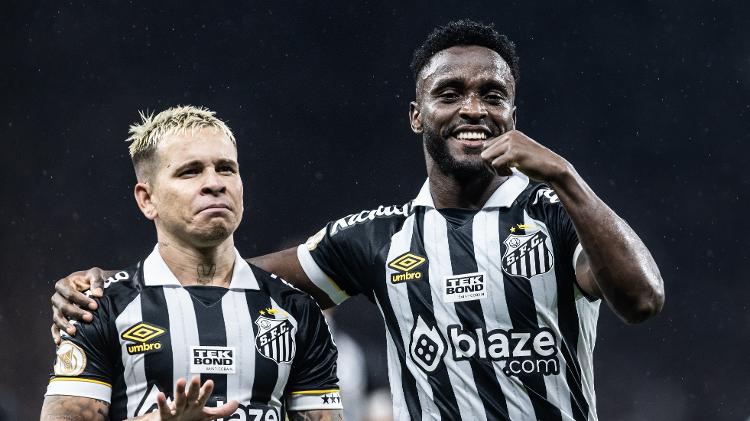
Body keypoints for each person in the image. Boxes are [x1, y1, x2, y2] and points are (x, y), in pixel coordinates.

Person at [51, 20, 665, 421]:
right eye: (449, 94)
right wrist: (108, 283)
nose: (472, 108)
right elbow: (230, 279)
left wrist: (564, 175)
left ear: (513, 112)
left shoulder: (557, 217)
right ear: (417, 116)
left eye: (493, 96)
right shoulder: (378, 237)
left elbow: (641, 298)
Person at [41, 106, 343, 421]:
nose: (215, 183)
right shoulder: (99, 309)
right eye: (190, 171)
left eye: (226, 168)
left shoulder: (297, 309)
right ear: (147, 199)